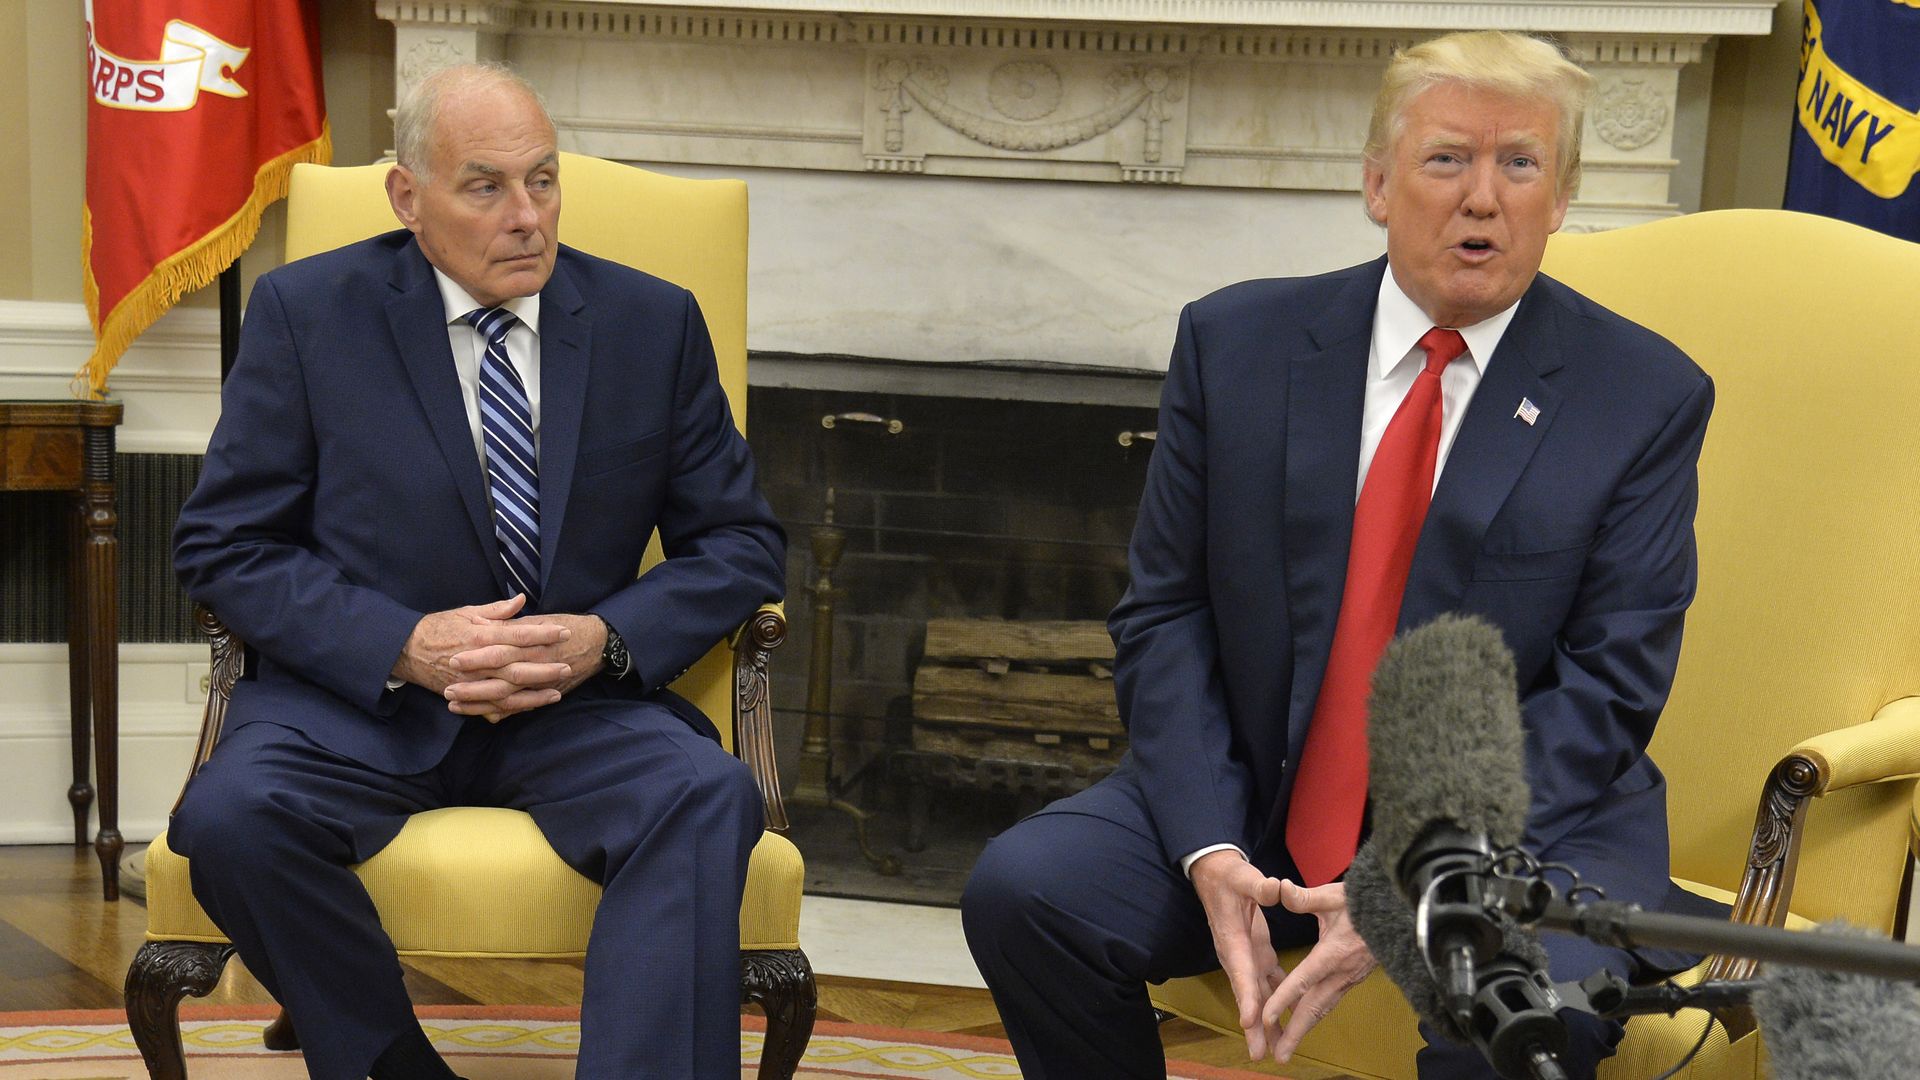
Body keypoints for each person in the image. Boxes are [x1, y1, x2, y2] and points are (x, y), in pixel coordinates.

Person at [962, 31, 1717, 1079]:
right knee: (1027, 892)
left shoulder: (1642, 396)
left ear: (1561, 196)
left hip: (1510, 833)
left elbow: (1609, 685)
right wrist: (1208, 844)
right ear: (1376, 184)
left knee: (1520, 1011)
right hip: (1259, 798)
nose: (1483, 197)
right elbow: (1165, 612)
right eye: (1447, 158)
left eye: (1521, 163)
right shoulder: (1237, 345)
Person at [170, 63, 784, 1080]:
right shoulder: (307, 314)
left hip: (574, 706)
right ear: (407, 197)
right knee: (233, 817)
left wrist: (605, 639)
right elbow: (224, 545)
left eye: (542, 180)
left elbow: (740, 543)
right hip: (361, 707)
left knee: (705, 794)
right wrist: (403, 645)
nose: (527, 217)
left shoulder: (653, 324)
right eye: (486, 187)